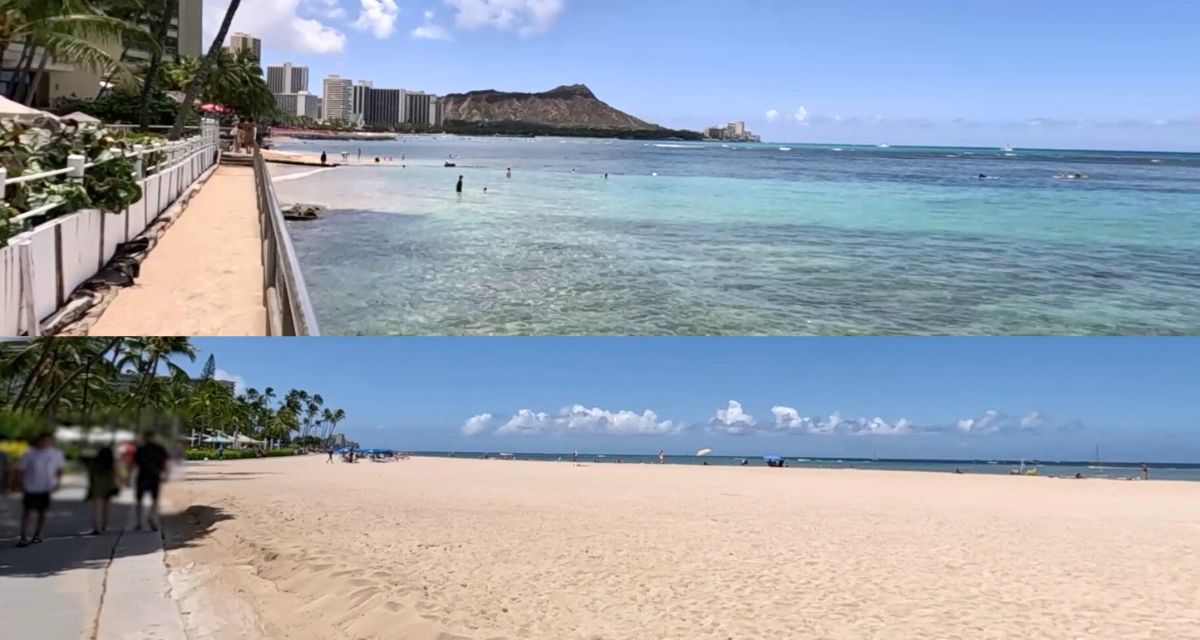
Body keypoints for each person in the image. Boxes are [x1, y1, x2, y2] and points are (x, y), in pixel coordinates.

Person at [15, 433, 65, 548]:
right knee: (28, 512)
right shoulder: (30, 453)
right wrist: (19, 482)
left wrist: (58, 482)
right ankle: (24, 536)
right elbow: (20, 469)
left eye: (47, 441)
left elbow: (59, 469)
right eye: (43, 441)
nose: (45, 444)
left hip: (45, 487)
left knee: (42, 512)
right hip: (30, 486)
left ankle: (36, 535)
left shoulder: (56, 454)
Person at [133, 433, 169, 532]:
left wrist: (127, 478)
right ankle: (151, 515)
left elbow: (134, 464)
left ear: (144, 439)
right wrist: (166, 475)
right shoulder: (159, 449)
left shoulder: (140, 449)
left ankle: (139, 522)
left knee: (139, 500)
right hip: (154, 476)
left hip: (142, 477)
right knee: (155, 500)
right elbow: (165, 462)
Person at [86, 447, 118, 535]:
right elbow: (114, 475)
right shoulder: (111, 463)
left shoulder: (95, 463)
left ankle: (95, 527)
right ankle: (104, 525)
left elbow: (91, 474)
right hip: (108, 486)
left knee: (96, 508)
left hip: (96, 486)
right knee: (105, 507)